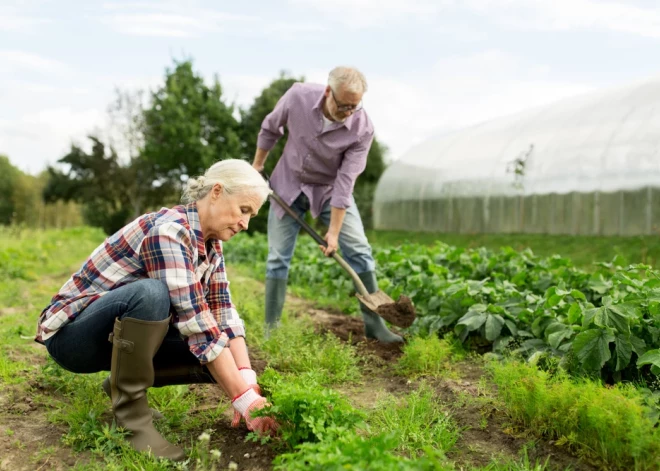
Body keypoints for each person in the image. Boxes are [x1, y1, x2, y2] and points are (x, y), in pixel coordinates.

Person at [35, 159, 278, 461]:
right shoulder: (169, 231)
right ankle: (131, 420)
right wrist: (243, 400)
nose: (245, 223)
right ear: (217, 191)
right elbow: (198, 324)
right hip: (72, 337)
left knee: (221, 355)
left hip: (113, 336)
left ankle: (120, 385)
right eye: (244, 210)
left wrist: (248, 385)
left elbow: (223, 312)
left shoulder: (211, 245)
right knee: (152, 295)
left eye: (252, 216)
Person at [252, 66, 402, 343]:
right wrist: (257, 166)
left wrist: (333, 232)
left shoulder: (362, 128)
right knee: (277, 257)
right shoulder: (298, 96)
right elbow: (271, 128)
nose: (347, 112)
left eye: (354, 107)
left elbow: (346, 183)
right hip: (288, 183)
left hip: (330, 191)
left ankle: (376, 326)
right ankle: (270, 330)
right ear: (327, 92)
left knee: (359, 249)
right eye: (343, 105)